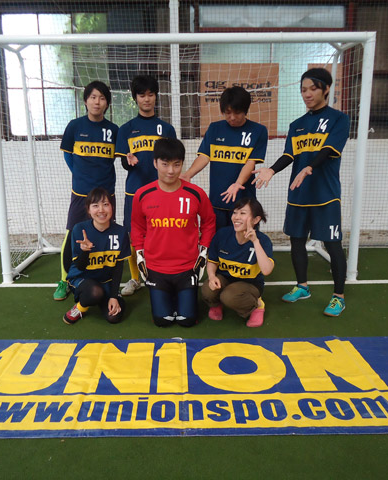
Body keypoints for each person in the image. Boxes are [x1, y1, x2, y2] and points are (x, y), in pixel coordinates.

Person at [253, 68, 350, 317]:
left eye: (313, 89)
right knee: (296, 240)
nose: (307, 94)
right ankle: (302, 287)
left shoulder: (339, 119)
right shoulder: (296, 125)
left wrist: (310, 167)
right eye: (303, 90)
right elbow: (289, 155)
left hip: (326, 195)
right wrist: (272, 170)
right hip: (298, 195)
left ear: (326, 89)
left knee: (332, 244)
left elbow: (329, 149)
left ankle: (338, 297)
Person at [130, 138, 216, 327]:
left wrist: (203, 251)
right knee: (163, 321)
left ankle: (180, 296)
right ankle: (168, 296)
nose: (171, 170)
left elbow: (209, 222)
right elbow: (137, 227)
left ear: (182, 164)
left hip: (187, 267)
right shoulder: (142, 195)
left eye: (176, 164)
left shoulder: (196, 193)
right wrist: (140, 254)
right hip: (156, 267)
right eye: (165, 164)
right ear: (155, 163)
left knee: (187, 321)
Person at [54, 81, 119, 302]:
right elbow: (68, 155)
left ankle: (107, 279)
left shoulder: (114, 130)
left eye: (102, 98)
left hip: (106, 193)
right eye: (93, 97)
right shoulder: (74, 126)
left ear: (107, 103)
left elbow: (116, 158)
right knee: (71, 234)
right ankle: (64, 280)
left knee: (106, 235)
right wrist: (80, 174)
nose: (97, 102)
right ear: (85, 100)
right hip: (80, 193)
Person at [115, 75, 177, 297]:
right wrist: (128, 160)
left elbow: (173, 160)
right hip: (134, 192)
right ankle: (135, 278)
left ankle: (163, 274)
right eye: (142, 95)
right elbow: (124, 161)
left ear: (156, 96)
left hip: (162, 192)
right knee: (133, 237)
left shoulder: (166, 129)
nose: (147, 99)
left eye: (151, 94)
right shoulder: (126, 129)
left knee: (163, 233)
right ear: (135, 98)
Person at [180, 86, 268, 230]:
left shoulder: (258, 131)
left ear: (245, 110)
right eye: (227, 113)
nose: (232, 117)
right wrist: (188, 174)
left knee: (244, 240)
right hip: (217, 201)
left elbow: (250, 163)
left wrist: (237, 183)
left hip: (244, 202)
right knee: (217, 240)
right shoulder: (214, 128)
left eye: (237, 113)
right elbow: (204, 157)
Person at [202, 198, 274, 327]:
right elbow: (212, 261)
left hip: (250, 284)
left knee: (229, 296)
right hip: (225, 279)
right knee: (208, 289)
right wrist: (212, 277)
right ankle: (216, 304)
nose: (236, 217)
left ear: (256, 219)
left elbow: (267, 270)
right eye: (235, 213)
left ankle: (256, 306)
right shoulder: (222, 234)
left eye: (243, 213)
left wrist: (255, 242)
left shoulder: (263, 241)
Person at [63, 187, 129, 325]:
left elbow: (118, 268)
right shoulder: (79, 229)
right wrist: (85, 251)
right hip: (82, 278)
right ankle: (80, 307)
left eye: (105, 204)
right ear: (88, 209)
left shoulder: (121, 232)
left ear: (112, 207)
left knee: (114, 317)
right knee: (94, 292)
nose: (101, 210)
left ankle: (104, 298)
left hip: (106, 282)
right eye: (95, 205)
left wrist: (113, 296)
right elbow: (80, 266)